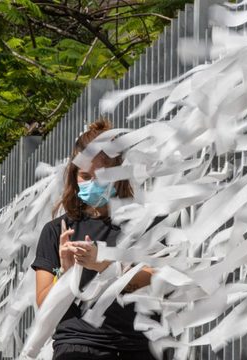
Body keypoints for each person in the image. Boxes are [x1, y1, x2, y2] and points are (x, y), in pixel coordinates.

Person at [32, 119, 156, 360]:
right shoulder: (57, 230)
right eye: (85, 176)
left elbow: (160, 279)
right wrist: (67, 275)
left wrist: (105, 265)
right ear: (74, 177)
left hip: (137, 345)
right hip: (78, 346)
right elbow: (43, 305)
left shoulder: (142, 222)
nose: (92, 184)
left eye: (101, 176)